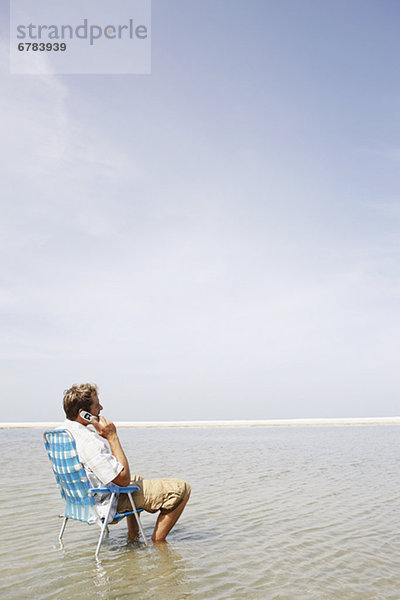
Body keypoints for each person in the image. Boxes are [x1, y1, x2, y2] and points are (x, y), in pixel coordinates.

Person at [61, 383, 191, 544]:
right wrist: (112, 437)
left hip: (80, 501)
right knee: (181, 488)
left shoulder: (62, 433)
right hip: (105, 503)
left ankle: (133, 538)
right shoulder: (88, 440)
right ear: (84, 414)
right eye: (96, 406)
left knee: (137, 478)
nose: (101, 408)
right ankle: (158, 543)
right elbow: (122, 479)